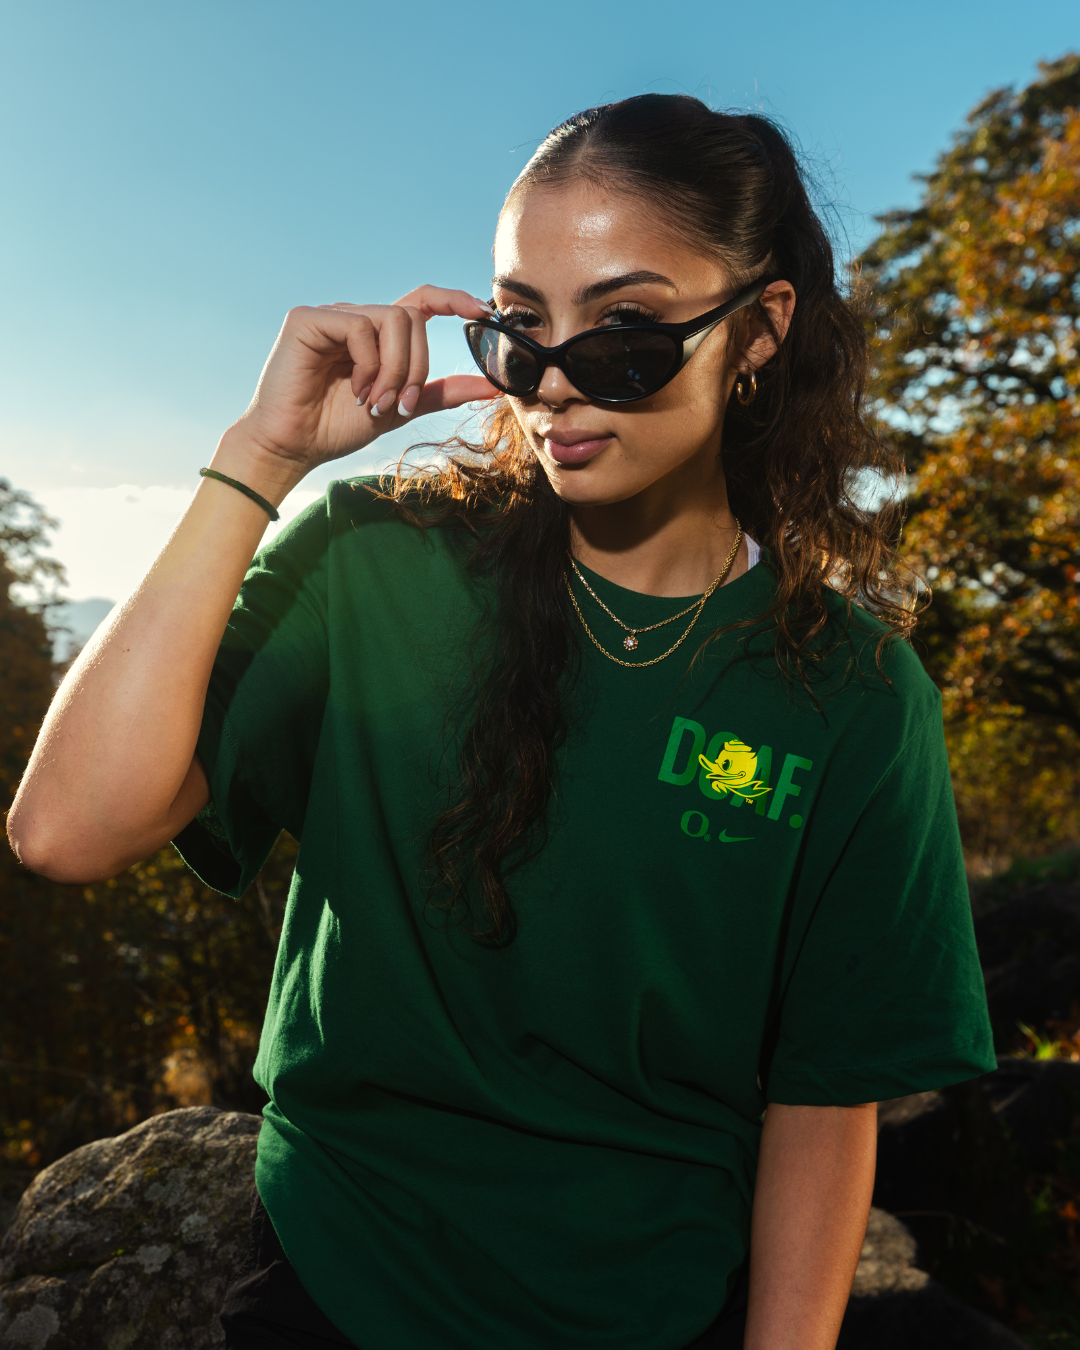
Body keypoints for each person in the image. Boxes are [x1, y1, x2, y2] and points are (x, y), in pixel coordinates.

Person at [8, 95, 995, 1350]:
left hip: (654, 1302)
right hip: (339, 1277)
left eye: (627, 334)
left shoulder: (852, 695)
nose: (557, 388)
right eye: (520, 329)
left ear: (760, 330)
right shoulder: (370, 561)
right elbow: (65, 830)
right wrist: (260, 459)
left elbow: (823, 1099)